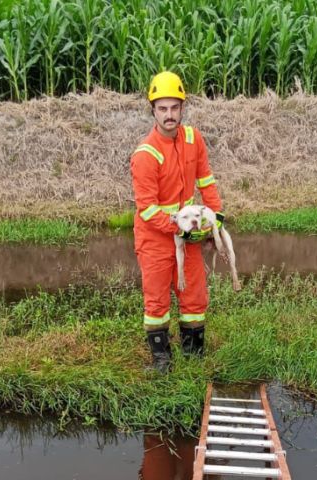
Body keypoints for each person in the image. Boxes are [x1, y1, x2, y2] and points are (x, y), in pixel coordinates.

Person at [130, 71, 226, 374]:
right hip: (155, 240)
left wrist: (215, 221)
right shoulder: (145, 154)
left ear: (183, 107)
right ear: (153, 110)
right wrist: (184, 228)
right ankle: (163, 362)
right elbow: (147, 210)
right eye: (162, 108)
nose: (169, 115)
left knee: (194, 296)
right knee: (156, 302)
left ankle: (193, 356)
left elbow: (206, 181)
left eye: (174, 107)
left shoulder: (193, 138)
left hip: (187, 235)